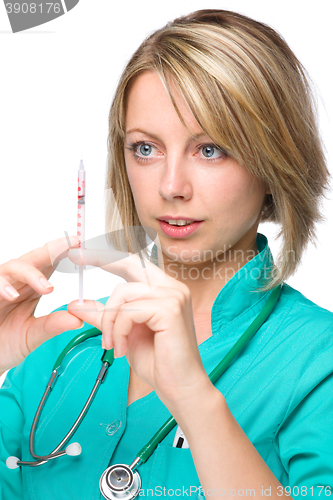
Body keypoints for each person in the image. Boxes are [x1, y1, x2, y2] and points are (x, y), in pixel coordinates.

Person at [0, 8, 332, 500]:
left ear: (274, 162)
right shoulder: (55, 355)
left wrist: (196, 400)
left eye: (212, 149)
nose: (170, 187)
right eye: (146, 149)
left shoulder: (316, 362)